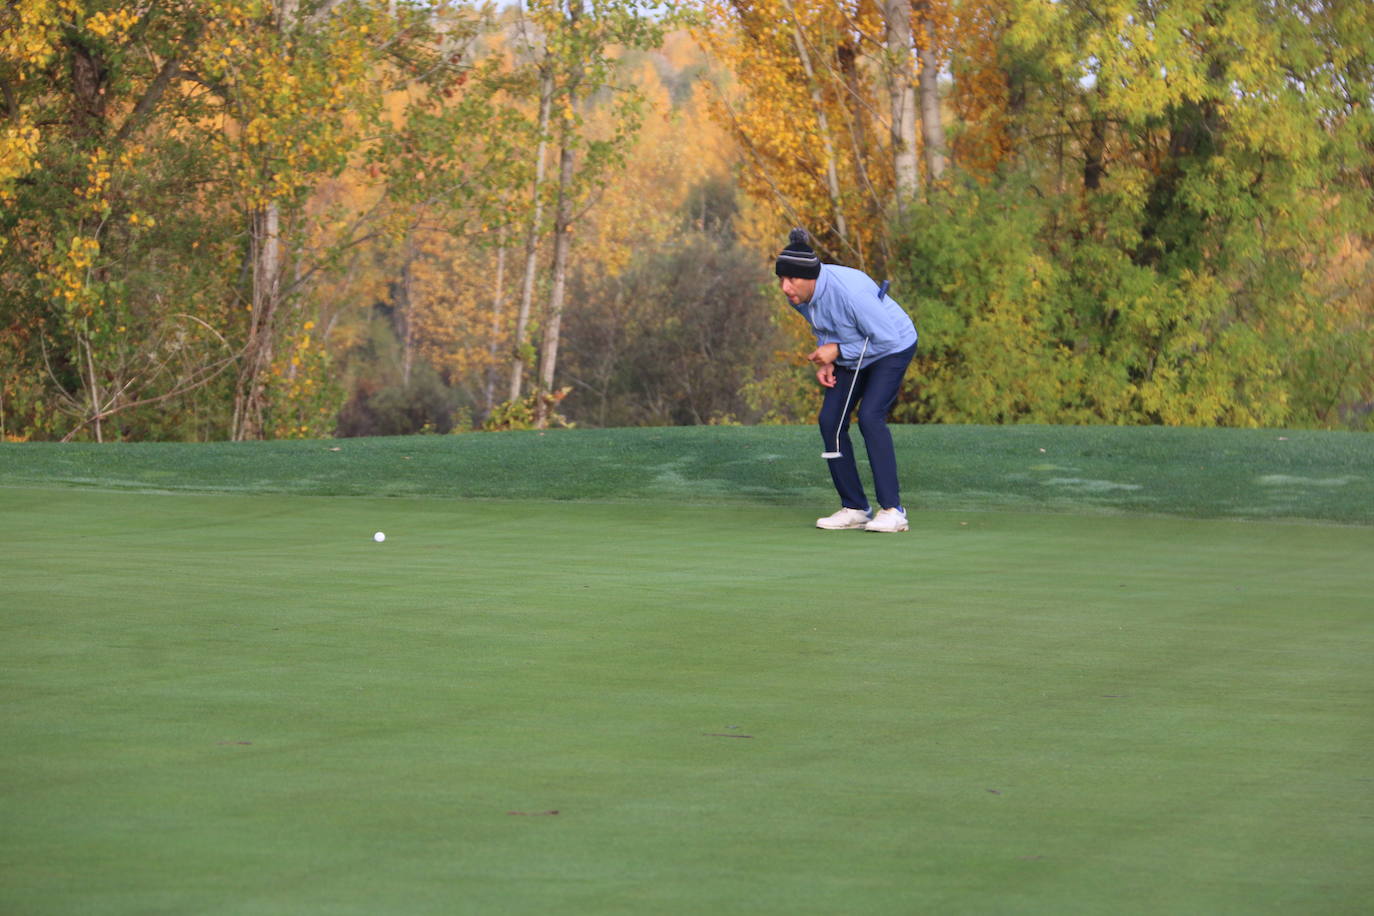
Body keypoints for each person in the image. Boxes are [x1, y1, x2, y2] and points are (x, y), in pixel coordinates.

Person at [775, 227, 918, 533]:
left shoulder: (851, 293)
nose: (785, 287)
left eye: (792, 280)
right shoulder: (798, 296)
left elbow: (886, 338)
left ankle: (894, 510)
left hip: (892, 347)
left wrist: (837, 350)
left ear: (810, 276)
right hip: (855, 350)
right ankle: (855, 507)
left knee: (870, 416)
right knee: (830, 421)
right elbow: (823, 324)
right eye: (781, 280)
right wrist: (831, 359)